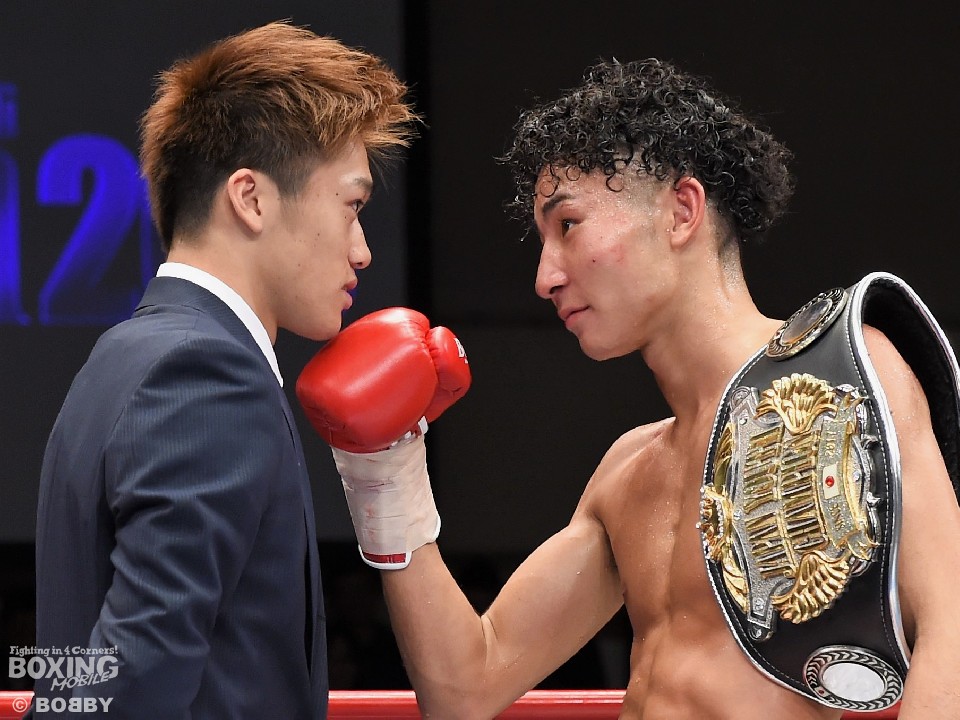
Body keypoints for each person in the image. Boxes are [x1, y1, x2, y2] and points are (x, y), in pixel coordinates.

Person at [295, 58, 960, 719]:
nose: (545, 277)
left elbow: (951, 630)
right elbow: (465, 688)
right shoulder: (628, 474)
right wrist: (387, 477)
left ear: (681, 212)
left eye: (568, 225)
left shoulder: (842, 381)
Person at [30, 21, 415, 719]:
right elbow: (135, 678)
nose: (362, 250)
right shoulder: (207, 375)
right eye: (352, 205)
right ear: (251, 198)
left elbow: (96, 675)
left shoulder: (118, 359)